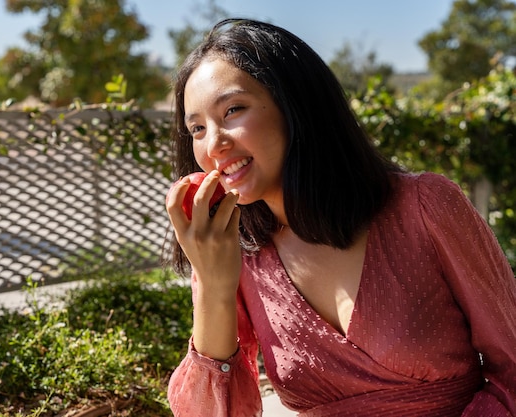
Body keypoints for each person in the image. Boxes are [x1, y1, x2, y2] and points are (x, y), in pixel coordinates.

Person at [164, 18, 516, 417]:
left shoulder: (426, 207)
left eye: (233, 110)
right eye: (196, 128)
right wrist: (213, 285)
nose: (214, 143)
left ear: (296, 105)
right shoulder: (236, 255)